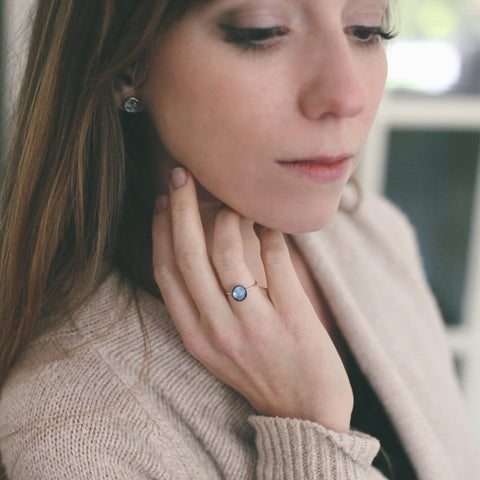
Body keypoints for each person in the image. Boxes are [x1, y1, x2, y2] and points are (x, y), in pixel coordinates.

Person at [0, 0, 479, 478]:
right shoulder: (70, 433)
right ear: (127, 62)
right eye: (263, 32)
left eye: (365, 30)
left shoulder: (372, 234)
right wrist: (311, 429)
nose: (347, 94)